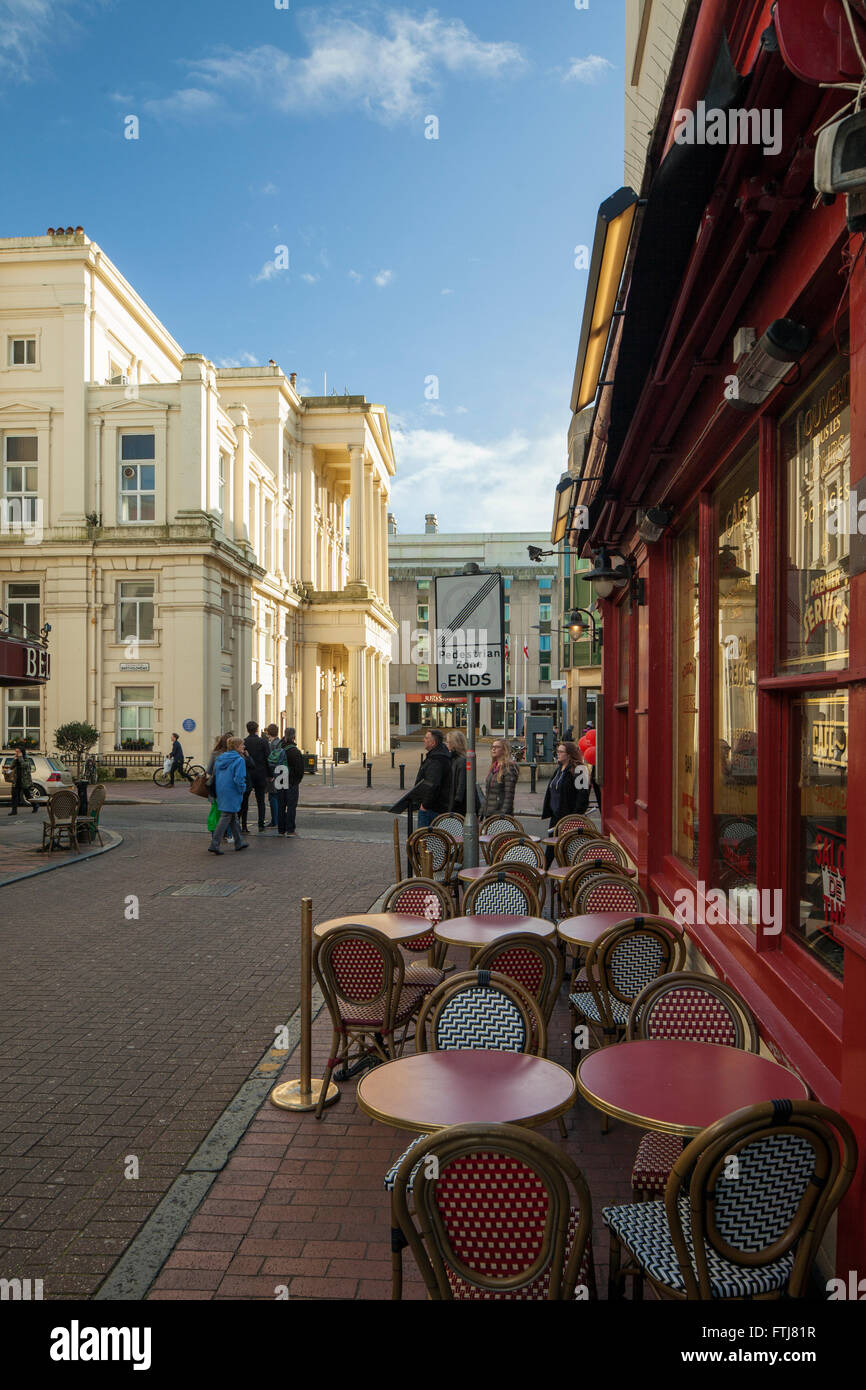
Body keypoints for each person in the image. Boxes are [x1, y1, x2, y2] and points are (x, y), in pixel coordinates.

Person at [542, 740, 589, 864]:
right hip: (556, 815)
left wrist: (575, 816)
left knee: (568, 848)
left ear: (569, 754)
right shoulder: (559, 770)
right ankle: (543, 872)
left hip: (569, 816)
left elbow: (583, 797)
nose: (558, 754)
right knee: (551, 846)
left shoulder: (580, 770)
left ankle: (569, 875)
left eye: (561, 752)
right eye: (557, 751)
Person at [208, 737, 249, 855]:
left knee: (232, 816)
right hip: (233, 791)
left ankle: (239, 841)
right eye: (242, 745)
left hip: (221, 790)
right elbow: (239, 778)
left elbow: (214, 774)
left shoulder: (220, 758)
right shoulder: (239, 760)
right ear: (236, 747)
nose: (244, 747)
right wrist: (242, 789)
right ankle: (214, 844)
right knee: (226, 816)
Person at [409, 727, 453, 827]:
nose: (423, 740)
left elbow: (433, 784)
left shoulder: (436, 760)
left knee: (425, 838)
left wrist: (424, 805)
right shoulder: (438, 756)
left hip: (432, 808)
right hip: (435, 806)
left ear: (433, 743)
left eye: (426, 738)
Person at [269, 727, 305, 836]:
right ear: (294, 737)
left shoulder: (279, 748)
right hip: (291, 781)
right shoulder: (294, 751)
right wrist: (296, 780)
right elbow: (300, 770)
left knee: (281, 805)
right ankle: (290, 829)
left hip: (280, 780)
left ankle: (281, 829)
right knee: (291, 806)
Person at [242, 720, 270, 831]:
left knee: (245, 801)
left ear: (247, 729)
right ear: (257, 729)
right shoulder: (263, 742)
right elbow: (268, 759)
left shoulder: (244, 742)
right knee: (260, 800)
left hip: (248, 773)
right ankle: (261, 824)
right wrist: (270, 774)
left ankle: (244, 825)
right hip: (260, 773)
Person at [481, 737, 519, 819]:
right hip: (489, 813)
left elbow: (509, 795)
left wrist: (503, 815)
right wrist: (482, 811)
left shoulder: (509, 768)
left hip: (500, 814)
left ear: (504, 750)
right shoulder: (494, 767)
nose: (493, 749)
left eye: (497, 747)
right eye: (492, 747)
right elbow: (488, 793)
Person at [206, 732, 234, 842]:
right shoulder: (234, 756)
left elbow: (208, 771)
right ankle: (228, 835)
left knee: (216, 812)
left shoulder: (215, 754)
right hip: (229, 788)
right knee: (229, 813)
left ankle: (215, 835)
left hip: (216, 787)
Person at [446, 729, 479, 816]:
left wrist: (453, 806)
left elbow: (461, 786)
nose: (446, 744)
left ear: (454, 744)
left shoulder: (461, 761)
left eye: (448, 742)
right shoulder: (453, 759)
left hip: (460, 808)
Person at [7, 747, 37, 815]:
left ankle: (35, 805)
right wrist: (14, 760)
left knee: (28, 795)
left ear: (22, 752)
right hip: (16, 780)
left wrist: (20, 758)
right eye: (15, 751)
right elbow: (11, 767)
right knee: (14, 796)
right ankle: (14, 811)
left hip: (24, 781)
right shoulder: (17, 759)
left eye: (18, 752)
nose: (16, 753)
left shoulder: (26, 759)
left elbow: (24, 765)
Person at [265, 723, 281, 828]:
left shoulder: (272, 744)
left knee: (273, 797)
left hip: (274, 773)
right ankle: (279, 819)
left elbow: (271, 761)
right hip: (281, 772)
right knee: (279, 797)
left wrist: (270, 775)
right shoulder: (280, 742)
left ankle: (275, 820)